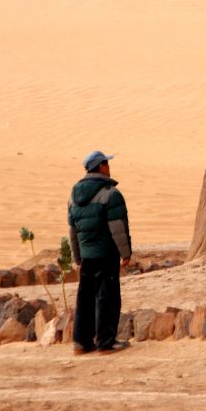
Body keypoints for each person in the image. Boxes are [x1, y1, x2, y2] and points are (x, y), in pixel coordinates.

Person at [68, 150, 133, 355]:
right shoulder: (110, 194)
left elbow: (72, 231)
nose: (109, 167)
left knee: (85, 297)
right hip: (106, 254)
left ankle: (81, 343)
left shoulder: (73, 195)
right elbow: (117, 227)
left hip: (87, 256)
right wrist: (126, 253)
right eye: (107, 163)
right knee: (108, 296)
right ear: (102, 166)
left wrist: (77, 257)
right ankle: (106, 342)